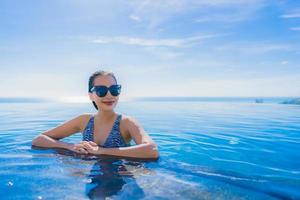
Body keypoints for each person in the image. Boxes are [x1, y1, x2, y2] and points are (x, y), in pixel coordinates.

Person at [32, 70, 159, 159]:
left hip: (120, 178)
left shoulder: (126, 122)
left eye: (114, 89)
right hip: (89, 175)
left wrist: (102, 151)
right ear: (91, 95)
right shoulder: (83, 121)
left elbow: (152, 150)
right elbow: (39, 140)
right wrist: (70, 146)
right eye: (101, 90)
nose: (109, 95)